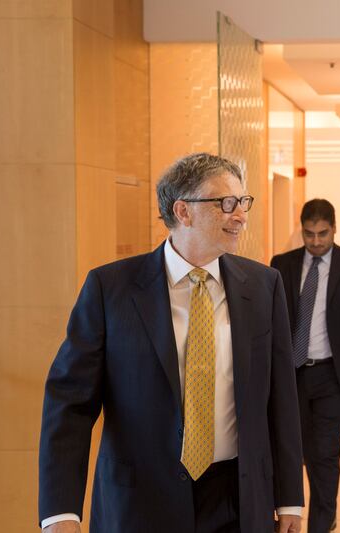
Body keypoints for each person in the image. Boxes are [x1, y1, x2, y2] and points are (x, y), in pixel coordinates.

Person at [39, 153, 304, 533]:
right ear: (183, 211)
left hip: (238, 498)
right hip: (139, 502)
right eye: (225, 203)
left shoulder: (263, 286)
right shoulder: (110, 289)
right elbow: (70, 404)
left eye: (243, 202)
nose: (241, 215)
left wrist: (289, 497)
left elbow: (281, 399)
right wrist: (61, 511)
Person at [270, 199, 340, 533]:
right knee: (295, 447)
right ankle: (293, 512)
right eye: (309, 234)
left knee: (324, 450)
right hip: (292, 375)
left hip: (335, 374)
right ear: (301, 229)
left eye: (323, 233)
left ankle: (322, 519)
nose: (316, 241)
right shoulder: (282, 264)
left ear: (334, 228)